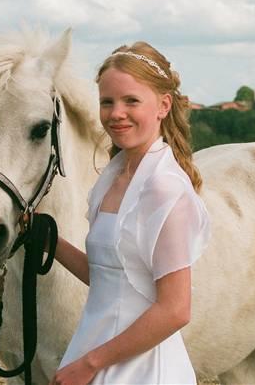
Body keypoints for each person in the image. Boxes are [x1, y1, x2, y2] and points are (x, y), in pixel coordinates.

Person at [50, 43, 210, 385]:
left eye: (131, 101)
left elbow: (176, 309)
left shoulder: (165, 188)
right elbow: (111, 279)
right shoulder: (113, 177)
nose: (116, 113)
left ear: (163, 106)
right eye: (107, 102)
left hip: (142, 368)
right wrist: (50, 240)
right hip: (94, 349)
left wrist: (91, 364)